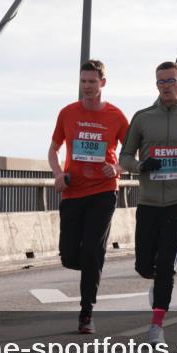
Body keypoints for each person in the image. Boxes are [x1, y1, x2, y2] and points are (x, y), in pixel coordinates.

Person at [119, 61, 177, 345]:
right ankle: (157, 281)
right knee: (145, 266)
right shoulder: (142, 118)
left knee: (167, 264)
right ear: (156, 84)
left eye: (171, 81)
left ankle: (157, 325)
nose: (166, 86)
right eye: (161, 81)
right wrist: (141, 166)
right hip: (148, 201)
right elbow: (124, 157)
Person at [49, 59, 130, 335]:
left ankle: (86, 312)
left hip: (103, 191)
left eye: (92, 82)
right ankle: (92, 263)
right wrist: (58, 174)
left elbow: (132, 154)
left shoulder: (116, 116)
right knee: (70, 256)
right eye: (83, 81)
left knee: (92, 250)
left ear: (102, 83)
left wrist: (117, 168)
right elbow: (53, 149)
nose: (87, 86)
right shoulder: (67, 113)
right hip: (73, 190)